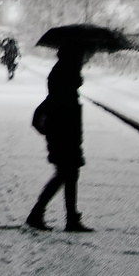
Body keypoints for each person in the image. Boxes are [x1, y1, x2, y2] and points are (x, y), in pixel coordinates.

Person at [27, 45, 90, 232]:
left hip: (64, 131)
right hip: (63, 132)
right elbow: (61, 102)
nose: (84, 58)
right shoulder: (65, 73)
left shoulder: (64, 70)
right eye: (81, 55)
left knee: (69, 174)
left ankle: (68, 217)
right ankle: (39, 214)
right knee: (65, 173)